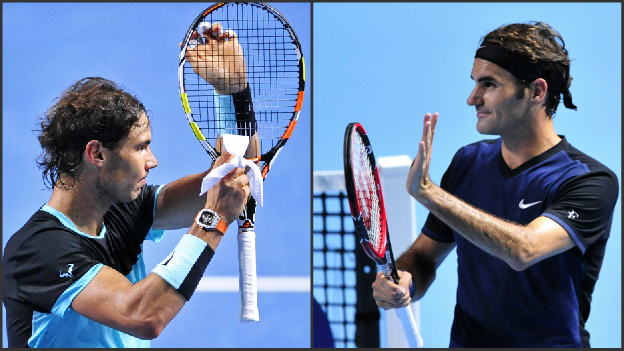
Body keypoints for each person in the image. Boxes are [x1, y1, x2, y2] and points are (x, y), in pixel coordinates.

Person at [3, 24, 253, 348]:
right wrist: (213, 219)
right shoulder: (38, 251)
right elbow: (144, 315)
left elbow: (235, 177)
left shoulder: (123, 208)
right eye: (140, 147)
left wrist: (232, 93)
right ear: (97, 154)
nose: (152, 161)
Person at [372, 22, 618, 347]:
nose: (472, 98)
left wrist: (429, 194)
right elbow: (425, 255)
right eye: (475, 83)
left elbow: (524, 249)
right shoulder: (469, 162)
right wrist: (405, 281)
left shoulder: (588, 181)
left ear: (537, 91)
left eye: (488, 84)